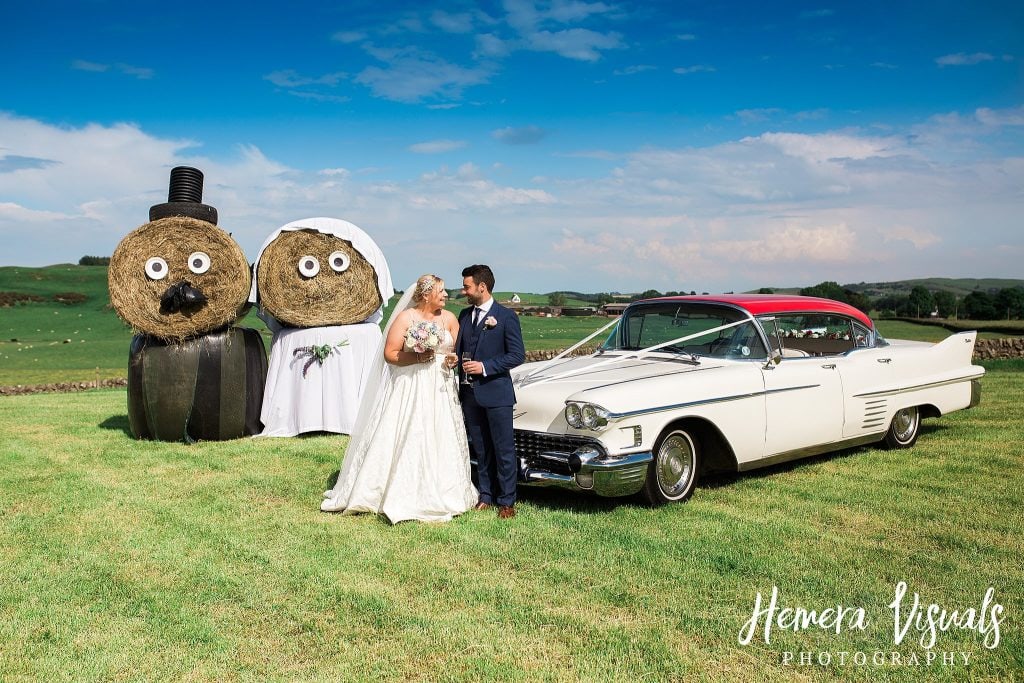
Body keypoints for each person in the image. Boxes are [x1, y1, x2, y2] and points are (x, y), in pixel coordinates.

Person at [321, 274, 477, 523]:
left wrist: (454, 359)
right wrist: (417, 357)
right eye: (441, 290)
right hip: (410, 384)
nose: (447, 295)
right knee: (408, 430)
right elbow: (390, 354)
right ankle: (389, 489)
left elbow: (457, 351)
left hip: (440, 386)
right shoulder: (406, 318)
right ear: (426, 294)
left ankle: (446, 491)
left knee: (439, 432)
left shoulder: (448, 319)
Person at [456, 265, 526, 519]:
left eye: (467, 286)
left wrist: (485, 367)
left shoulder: (505, 317)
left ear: (481, 287)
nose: (464, 290)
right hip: (469, 394)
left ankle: (507, 501)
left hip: (497, 395)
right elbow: (459, 347)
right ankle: (485, 495)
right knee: (481, 448)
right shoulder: (464, 315)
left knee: (503, 449)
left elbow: (517, 355)